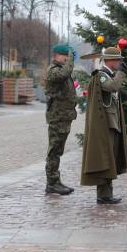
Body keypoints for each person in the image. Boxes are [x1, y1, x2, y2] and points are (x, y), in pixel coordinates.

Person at [81, 47, 127, 204]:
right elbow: (112, 87)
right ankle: (103, 195)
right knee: (104, 159)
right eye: (117, 60)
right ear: (110, 60)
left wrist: (120, 73)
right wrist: (122, 73)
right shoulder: (101, 76)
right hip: (106, 124)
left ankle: (107, 194)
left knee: (110, 160)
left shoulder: (109, 75)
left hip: (112, 123)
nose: (119, 63)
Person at [44, 45, 78, 196]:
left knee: (58, 150)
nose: (67, 60)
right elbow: (64, 73)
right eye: (66, 57)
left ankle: (55, 181)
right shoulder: (53, 70)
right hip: (57, 117)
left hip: (64, 117)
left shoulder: (61, 69)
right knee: (54, 151)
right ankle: (52, 183)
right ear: (58, 56)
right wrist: (71, 59)